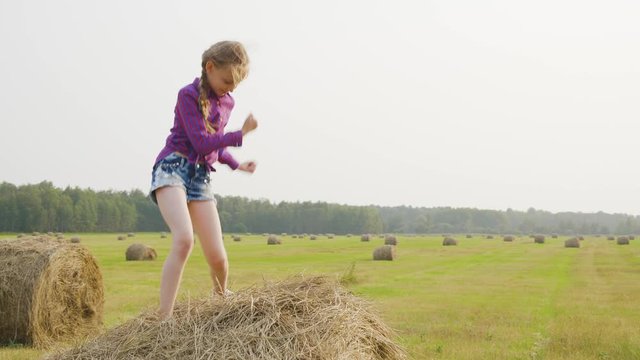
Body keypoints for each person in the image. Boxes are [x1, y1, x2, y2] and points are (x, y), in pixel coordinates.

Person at [148, 41, 258, 319]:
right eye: (227, 80)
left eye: (236, 84)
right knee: (184, 239)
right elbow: (200, 141)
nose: (230, 88)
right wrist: (240, 135)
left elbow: (214, 146)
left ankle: (221, 303)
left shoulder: (227, 102)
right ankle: (164, 317)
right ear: (210, 67)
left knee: (218, 258)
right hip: (172, 168)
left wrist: (235, 164)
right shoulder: (187, 95)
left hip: (201, 179)